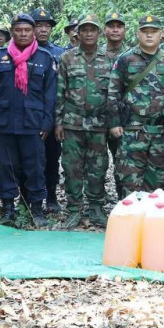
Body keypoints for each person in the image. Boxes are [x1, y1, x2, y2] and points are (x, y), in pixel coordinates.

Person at [0, 13, 57, 227]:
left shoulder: (44, 58)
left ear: (33, 33)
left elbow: (50, 95)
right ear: (12, 32)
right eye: (19, 30)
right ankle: (8, 208)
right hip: (4, 123)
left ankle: (36, 210)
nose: (23, 34)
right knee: (6, 167)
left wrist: (47, 123)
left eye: (27, 30)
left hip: (33, 124)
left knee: (35, 168)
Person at [55, 15, 113, 228]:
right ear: (77, 33)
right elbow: (60, 91)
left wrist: (112, 122)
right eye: (84, 30)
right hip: (72, 123)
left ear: (99, 33)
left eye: (92, 30)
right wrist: (58, 122)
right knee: (72, 167)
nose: (88, 34)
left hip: (99, 124)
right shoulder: (67, 58)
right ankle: (74, 210)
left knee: (98, 167)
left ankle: (96, 208)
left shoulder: (109, 59)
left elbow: (114, 94)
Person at [107, 15, 164, 195]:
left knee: (158, 183)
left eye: (154, 31)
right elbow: (113, 92)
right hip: (132, 130)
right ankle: (130, 211)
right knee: (130, 181)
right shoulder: (125, 59)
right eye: (145, 32)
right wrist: (114, 122)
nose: (149, 35)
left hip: (160, 131)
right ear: (138, 34)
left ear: (161, 34)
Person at [30, 7, 64, 213]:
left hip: (52, 114)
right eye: (38, 25)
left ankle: (51, 197)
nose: (43, 29)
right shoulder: (21, 51)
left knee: (52, 157)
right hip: (30, 115)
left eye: (47, 26)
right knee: (29, 159)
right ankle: (29, 199)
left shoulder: (60, 54)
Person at [103, 11, 128, 199]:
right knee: (96, 164)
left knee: (123, 161)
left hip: (122, 118)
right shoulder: (95, 53)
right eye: (111, 26)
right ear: (104, 30)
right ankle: (96, 203)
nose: (115, 30)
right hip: (95, 118)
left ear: (125, 30)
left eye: (119, 26)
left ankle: (123, 199)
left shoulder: (132, 55)